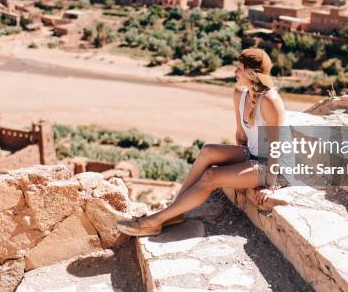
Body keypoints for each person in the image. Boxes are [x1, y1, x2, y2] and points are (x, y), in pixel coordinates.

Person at [117, 48, 286, 237]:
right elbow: (241, 135)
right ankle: (176, 211)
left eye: (239, 68)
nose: (234, 72)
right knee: (208, 151)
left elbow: (276, 148)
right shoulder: (240, 94)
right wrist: (238, 164)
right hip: (252, 155)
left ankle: (154, 222)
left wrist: (268, 185)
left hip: (269, 165)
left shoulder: (271, 101)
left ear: (251, 73)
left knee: (211, 177)